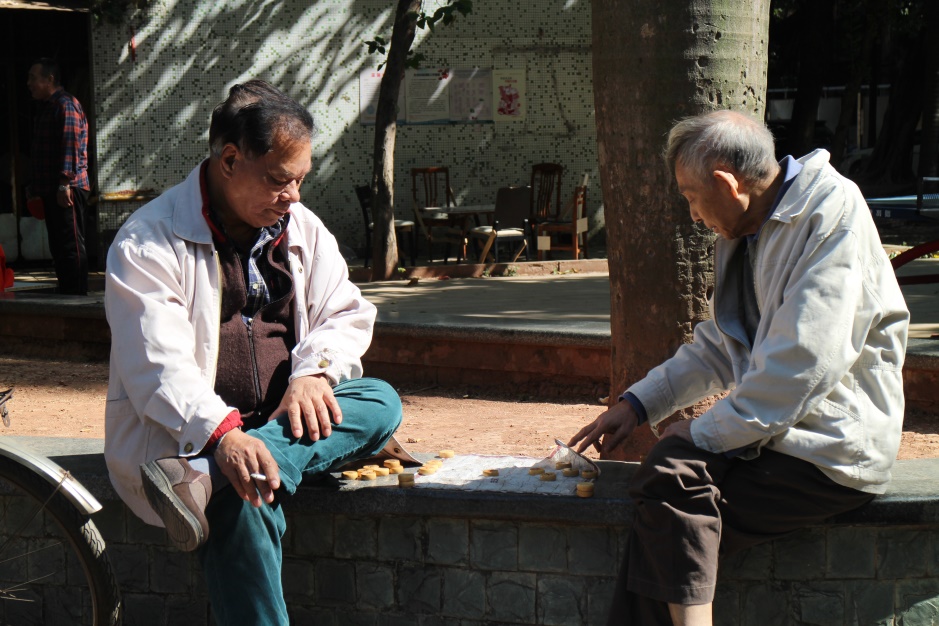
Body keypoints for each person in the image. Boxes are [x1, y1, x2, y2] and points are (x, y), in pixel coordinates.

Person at [569, 110, 909, 626]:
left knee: (668, 481)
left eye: (690, 196)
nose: (692, 214)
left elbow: (802, 368)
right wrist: (637, 404)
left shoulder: (829, 215)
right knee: (662, 515)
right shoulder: (750, 227)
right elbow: (722, 342)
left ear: (727, 183)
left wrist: (701, 431)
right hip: (778, 437)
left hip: (829, 451)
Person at [104, 79, 403, 624]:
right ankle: (215, 470)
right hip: (192, 437)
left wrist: (314, 374)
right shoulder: (147, 240)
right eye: (278, 181)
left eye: (300, 181)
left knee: (380, 399)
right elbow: (155, 361)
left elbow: (345, 312)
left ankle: (203, 480)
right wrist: (222, 436)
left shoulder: (301, 227)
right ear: (229, 160)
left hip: (276, 425)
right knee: (246, 499)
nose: (293, 197)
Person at [26, 58, 90, 295]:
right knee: (59, 244)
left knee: (70, 242)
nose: (29, 83)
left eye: (33, 77)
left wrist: (64, 184)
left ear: (49, 79)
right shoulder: (50, 107)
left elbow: (70, 145)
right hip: (55, 190)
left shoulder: (65, 105)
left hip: (68, 189)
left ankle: (75, 292)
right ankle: (67, 288)